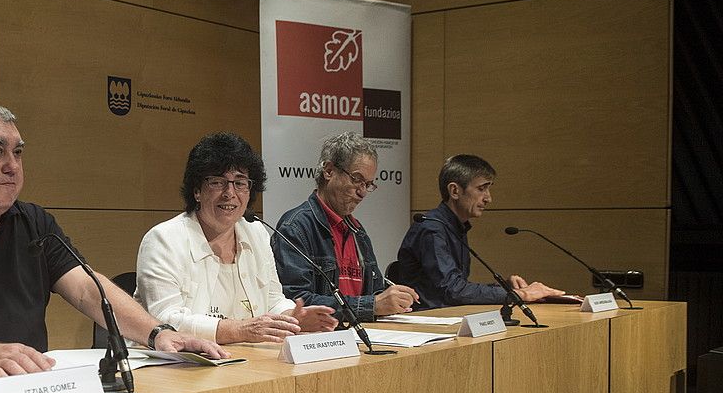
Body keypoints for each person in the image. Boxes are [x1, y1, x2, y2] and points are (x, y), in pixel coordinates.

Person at [0, 101, 226, 376]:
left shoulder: (32, 222)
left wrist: (157, 333)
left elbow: (85, 287)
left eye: (17, 153)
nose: (12, 166)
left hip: (18, 390)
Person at [134, 132, 337, 343]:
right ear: (197, 191)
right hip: (175, 366)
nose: (230, 193)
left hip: (240, 361)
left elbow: (273, 300)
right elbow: (165, 321)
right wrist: (240, 330)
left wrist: (292, 318)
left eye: (240, 183)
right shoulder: (163, 240)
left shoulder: (256, 233)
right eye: (218, 182)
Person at [273, 132, 419, 322]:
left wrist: (393, 301)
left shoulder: (358, 231)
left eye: (368, 184)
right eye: (357, 180)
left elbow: (374, 292)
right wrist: (373, 305)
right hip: (320, 341)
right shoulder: (296, 227)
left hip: (363, 334)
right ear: (329, 171)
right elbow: (297, 302)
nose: (362, 192)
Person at [395, 154, 564, 309]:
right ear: (455, 191)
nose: (488, 198)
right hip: (425, 324)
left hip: (447, 317)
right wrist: (520, 295)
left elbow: (457, 288)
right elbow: (453, 291)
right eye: (481, 189)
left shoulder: (455, 226)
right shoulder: (431, 228)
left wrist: (505, 288)